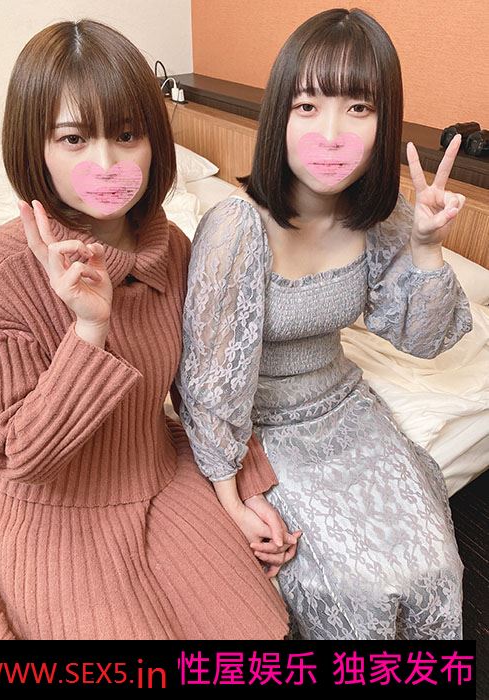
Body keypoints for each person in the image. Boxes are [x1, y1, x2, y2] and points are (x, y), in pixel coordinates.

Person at [0, 19, 295, 693]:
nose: (107, 163)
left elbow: (205, 385)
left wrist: (243, 487)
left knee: (260, 637)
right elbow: (20, 455)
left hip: (158, 474)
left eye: (125, 134)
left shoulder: (173, 249)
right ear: (35, 147)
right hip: (54, 510)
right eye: (73, 138)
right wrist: (90, 328)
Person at [176, 7, 473, 640]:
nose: (331, 134)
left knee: (436, 570)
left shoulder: (382, 216)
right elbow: (209, 386)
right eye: (307, 106)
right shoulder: (236, 228)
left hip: (347, 407)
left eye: (358, 108)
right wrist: (234, 498)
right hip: (264, 429)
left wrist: (426, 246)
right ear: (279, 116)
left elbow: (419, 340)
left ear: (383, 122)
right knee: (357, 595)